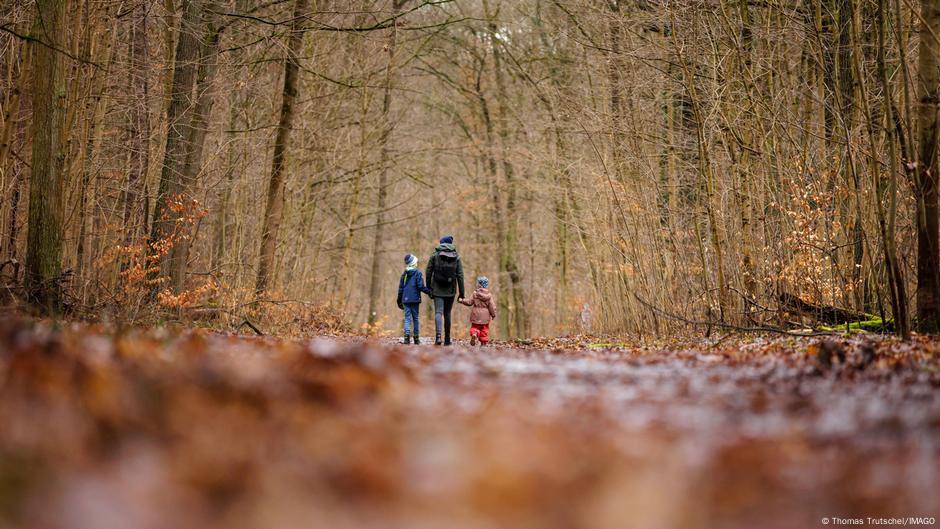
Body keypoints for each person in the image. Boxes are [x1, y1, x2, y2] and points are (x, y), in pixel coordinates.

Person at [425, 235, 465, 345]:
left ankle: (438, 337)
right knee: (447, 313)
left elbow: (428, 271)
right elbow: (460, 275)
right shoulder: (456, 256)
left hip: (437, 288)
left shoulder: (435, 255)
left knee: (438, 312)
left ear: (441, 243)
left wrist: (429, 287)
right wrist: (462, 293)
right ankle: (447, 339)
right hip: (450, 289)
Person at [397, 254, 431, 344]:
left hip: (405, 299)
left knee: (407, 318)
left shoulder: (404, 274)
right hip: (415, 299)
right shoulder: (418, 273)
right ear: (413, 263)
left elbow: (401, 289)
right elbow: (420, 286)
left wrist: (399, 300)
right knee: (415, 318)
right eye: (416, 262)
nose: (417, 264)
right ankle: (416, 338)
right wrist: (429, 292)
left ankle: (406, 338)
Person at [459, 276, 497, 346]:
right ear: (486, 285)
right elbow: (492, 306)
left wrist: (462, 301)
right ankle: (483, 344)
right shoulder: (489, 296)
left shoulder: (475, 294)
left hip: (475, 315)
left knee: (475, 327)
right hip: (485, 317)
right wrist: (493, 315)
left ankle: (474, 333)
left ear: (478, 284)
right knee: (484, 330)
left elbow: (469, 302)